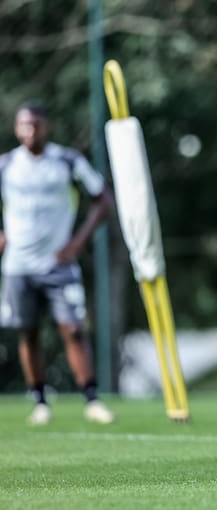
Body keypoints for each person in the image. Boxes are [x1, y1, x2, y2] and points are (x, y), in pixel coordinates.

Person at [0, 101, 115, 425]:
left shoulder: (67, 161)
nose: (30, 130)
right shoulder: (7, 165)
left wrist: (77, 243)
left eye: (36, 124)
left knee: (74, 329)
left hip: (58, 265)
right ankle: (39, 401)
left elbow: (103, 198)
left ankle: (91, 400)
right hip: (17, 265)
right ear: (16, 128)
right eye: (24, 124)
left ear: (46, 127)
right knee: (28, 331)